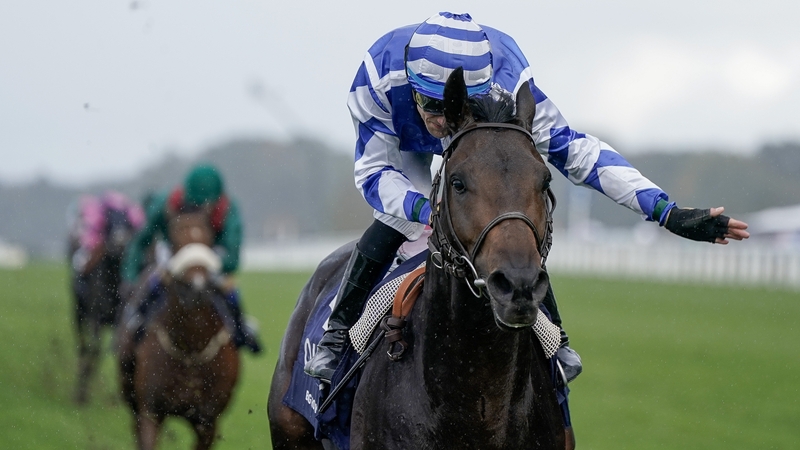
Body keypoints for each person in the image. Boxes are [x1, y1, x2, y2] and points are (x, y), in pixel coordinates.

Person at [304, 11, 749, 388]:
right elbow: (376, 174)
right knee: (399, 219)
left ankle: (555, 337)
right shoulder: (377, 75)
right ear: (411, 85)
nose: (440, 123)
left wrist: (667, 212)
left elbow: (576, 152)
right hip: (407, 160)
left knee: (509, 224)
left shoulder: (507, 80)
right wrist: (426, 209)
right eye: (429, 106)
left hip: (478, 152)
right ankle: (337, 332)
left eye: (452, 108)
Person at [119, 163, 262, 353]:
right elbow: (140, 242)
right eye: (195, 204)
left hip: (209, 258)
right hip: (172, 254)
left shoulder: (229, 210)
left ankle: (239, 329)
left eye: (205, 205)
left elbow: (232, 258)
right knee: (153, 283)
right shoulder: (166, 202)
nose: (199, 209)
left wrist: (206, 264)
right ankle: (136, 321)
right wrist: (129, 276)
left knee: (230, 291)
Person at [69, 190, 145, 304]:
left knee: (82, 272)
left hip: (105, 246)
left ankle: (83, 296)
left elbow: (92, 233)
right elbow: (139, 227)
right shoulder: (126, 206)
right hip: (124, 246)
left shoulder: (96, 207)